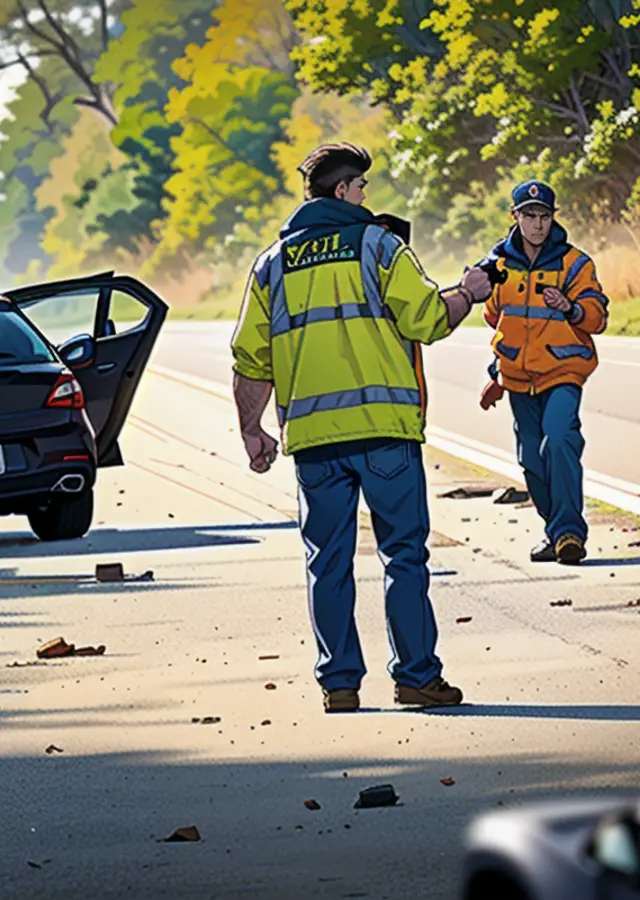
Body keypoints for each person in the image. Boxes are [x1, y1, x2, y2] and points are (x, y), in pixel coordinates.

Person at [230, 142, 492, 713]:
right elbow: (426, 319)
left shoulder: (271, 263)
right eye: (362, 188)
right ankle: (418, 679)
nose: (366, 196)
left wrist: (252, 430)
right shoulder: (379, 245)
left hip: (315, 444)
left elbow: (251, 359)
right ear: (345, 191)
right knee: (403, 557)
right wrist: (468, 293)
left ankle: (340, 685)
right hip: (384, 435)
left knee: (327, 563)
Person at [477, 180, 609, 565]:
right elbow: (499, 323)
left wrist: (570, 307)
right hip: (519, 379)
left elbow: (597, 318)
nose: (537, 224)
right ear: (515, 217)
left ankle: (569, 531)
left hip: (563, 371)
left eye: (545, 216)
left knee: (559, 437)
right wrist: (496, 376)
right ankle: (557, 533)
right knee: (531, 461)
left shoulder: (575, 264)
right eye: (529, 215)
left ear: (553, 219)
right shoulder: (498, 267)